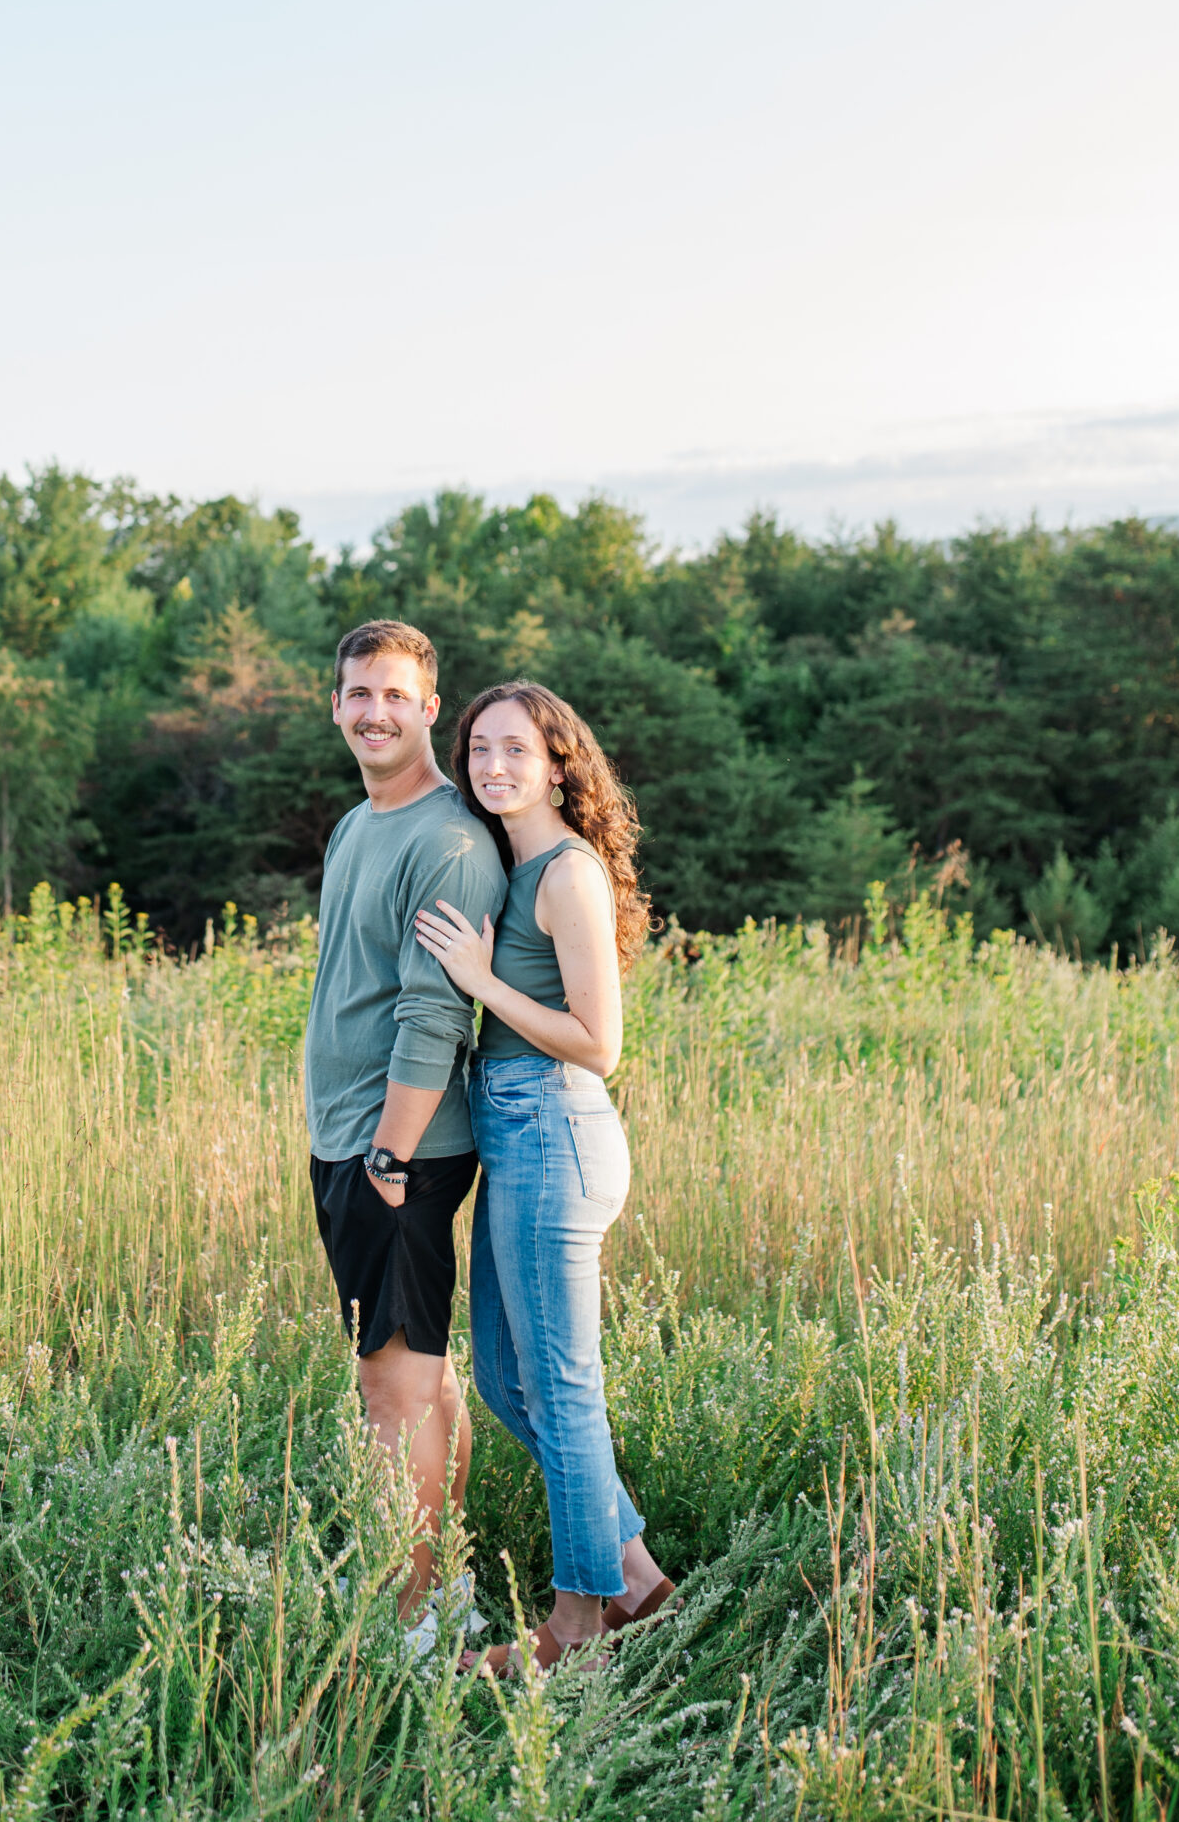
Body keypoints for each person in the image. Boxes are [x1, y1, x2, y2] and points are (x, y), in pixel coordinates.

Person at [413, 677, 675, 1672]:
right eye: (478, 747)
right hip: (516, 1132)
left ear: (558, 761)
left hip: (554, 1128)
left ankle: (577, 1625)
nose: (491, 765)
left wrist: (479, 984)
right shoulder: (512, 867)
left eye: (514, 748)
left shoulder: (565, 873)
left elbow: (596, 1042)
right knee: (513, 1379)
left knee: (559, 1387)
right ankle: (638, 1582)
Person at [304, 619, 508, 1628]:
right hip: (353, 1140)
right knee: (419, 1379)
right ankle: (453, 1591)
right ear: (335, 704)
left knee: (392, 1393)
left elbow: (435, 1012)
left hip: (400, 1151)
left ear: (429, 707)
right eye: (356, 694)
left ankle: (408, 1618)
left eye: (393, 695)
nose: (372, 712)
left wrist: (387, 1151)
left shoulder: (449, 839)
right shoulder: (357, 824)